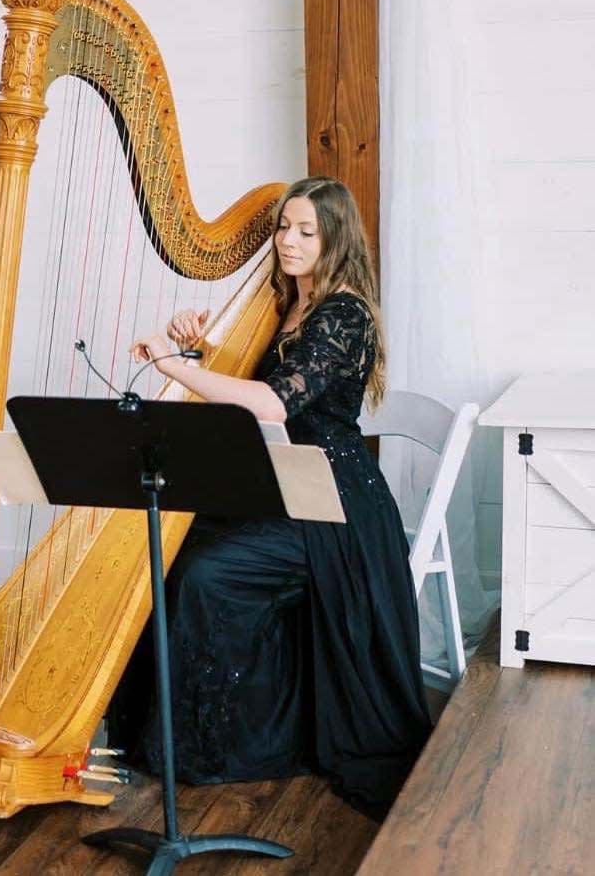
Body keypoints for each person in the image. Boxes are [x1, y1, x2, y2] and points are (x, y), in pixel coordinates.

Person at [111, 176, 432, 820]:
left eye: (306, 231)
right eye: (284, 227)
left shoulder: (344, 314)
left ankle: (218, 744)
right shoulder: (284, 302)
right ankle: (202, 730)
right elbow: (247, 380)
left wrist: (175, 367)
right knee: (170, 549)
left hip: (332, 506)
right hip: (280, 484)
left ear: (335, 238)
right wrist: (196, 344)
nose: (288, 240)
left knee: (207, 571)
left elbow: (272, 401)